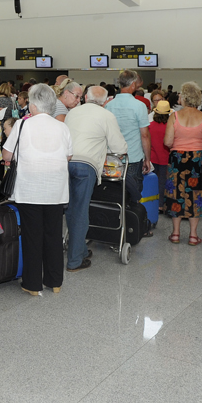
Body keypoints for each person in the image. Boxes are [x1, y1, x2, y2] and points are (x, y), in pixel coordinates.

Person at [2, 84, 72, 294]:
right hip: (56, 190)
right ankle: (55, 281)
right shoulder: (62, 127)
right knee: (53, 235)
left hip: (29, 189)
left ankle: (32, 284)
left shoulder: (22, 126)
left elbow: (6, 155)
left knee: (32, 236)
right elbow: (68, 156)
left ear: (32, 105)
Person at [64, 86, 127, 272]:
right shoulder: (106, 115)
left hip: (65, 162)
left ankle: (81, 250)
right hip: (86, 165)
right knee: (81, 211)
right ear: (106, 101)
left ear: (85, 97)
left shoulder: (72, 113)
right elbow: (119, 147)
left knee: (71, 209)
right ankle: (75, 260)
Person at [163, 81, 202, 246]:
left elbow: (168, 142)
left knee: (176, 194)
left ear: (184, 97)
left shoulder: (174, 117)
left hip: (177, 160)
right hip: (198, 161)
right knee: (196, 195)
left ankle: (176, 234)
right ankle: (193, 235)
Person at [105, 70, 151, 202]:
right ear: (133, 85)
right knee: (132, 193)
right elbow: (145, 136)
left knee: (114, 193)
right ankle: (130, 220)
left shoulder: (109, 105)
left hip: (112, 157)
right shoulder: (139, 106)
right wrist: (147, 158)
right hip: (133, 157)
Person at [149, 100, 172, 207]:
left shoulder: (150, 126)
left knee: (152, 181)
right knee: (163, 181)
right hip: (166, 157)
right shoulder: (170, 127)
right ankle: (161, 204)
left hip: (153, 157)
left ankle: (152, 202)